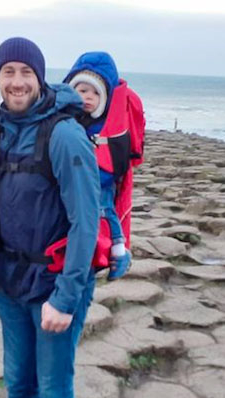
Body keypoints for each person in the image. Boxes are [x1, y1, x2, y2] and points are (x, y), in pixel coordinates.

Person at [0, 37, 100, 398]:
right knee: (19, 386)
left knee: (54, 396)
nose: (17, 81)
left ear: (39, 78)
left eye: (25, 72)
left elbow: (86, 222)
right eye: (8, 72)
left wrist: (66, 297)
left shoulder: (64, 135)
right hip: (12, 284)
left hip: (55, 285)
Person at [64, 52, 144, 280]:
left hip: (100, 182)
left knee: (105, 212)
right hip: (74, 183)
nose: (88, 97)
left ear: (105, 98)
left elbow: (114, 163)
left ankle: (119, 252)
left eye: (95, 93)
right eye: (82, 91)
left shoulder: (107, 126)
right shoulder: (66, 120)